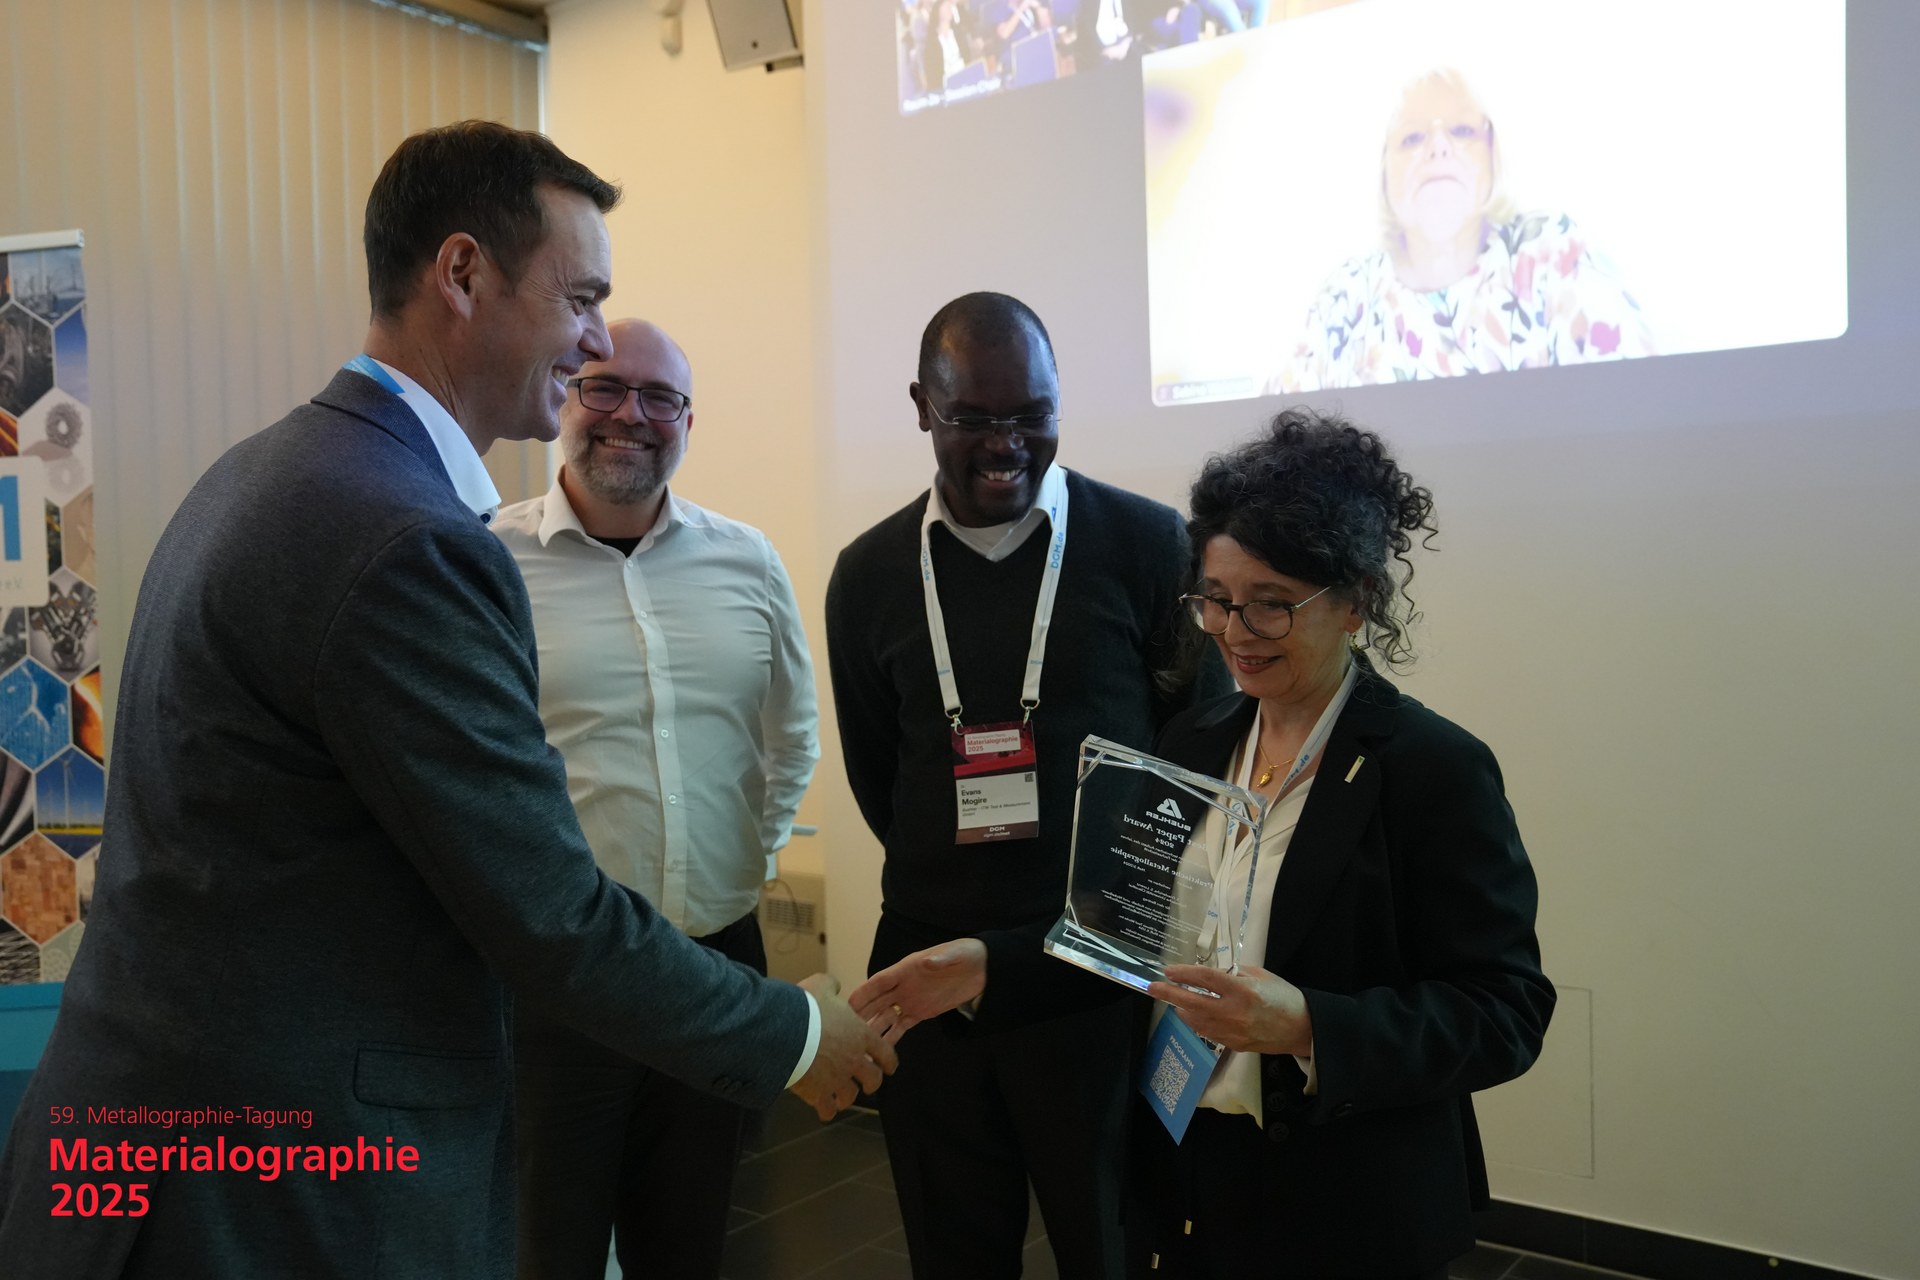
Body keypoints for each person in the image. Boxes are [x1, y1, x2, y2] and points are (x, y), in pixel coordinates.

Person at [0, 121, 892, 1280]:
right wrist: (801, 1030)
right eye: (581, 298)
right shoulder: (405, 537)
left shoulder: (275, 469)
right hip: (262, 1192)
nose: (593, 338)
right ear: (463, 273)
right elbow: (550, 910)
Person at [831, 292, 1228, 1279]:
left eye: (1031, 414)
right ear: (922, 407)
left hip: (1094, 977)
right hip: (929, 984)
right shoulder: (869, 573)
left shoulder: (1148, 545)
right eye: (973, 417)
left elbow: (1197, 756)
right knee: (953, 1248)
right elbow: (883, 780)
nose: (1006, 443)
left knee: (1115, 1245)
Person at [1125, 407, 1555, 1278]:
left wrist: (1309, 1026)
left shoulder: (1431, 767)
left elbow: (1505, 1012)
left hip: (1352, 1199)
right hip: (1194, 1168)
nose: (1235, 631)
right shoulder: (1192, 742)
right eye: (1217, 599)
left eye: (1270, 605)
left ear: (1356, 601)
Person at [493, 317, 820, 1280]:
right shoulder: (488, 559)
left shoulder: (747, 560)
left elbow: (791, 735)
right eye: (604, 387)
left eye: (661, 398)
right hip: (558, 985)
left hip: (715, 965)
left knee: (689, 1241)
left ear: (688, 421)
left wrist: (747, 861)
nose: (631, 416)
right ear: (563, 395)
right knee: (547, 1247)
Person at [1274, 67, 1653, 392]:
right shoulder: (1348, 292)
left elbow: (1639, 400)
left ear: (1493, 155)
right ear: (1384, 172)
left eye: (1461, 130)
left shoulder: (1551, 249)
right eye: (1412, 137)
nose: (1439, 147)